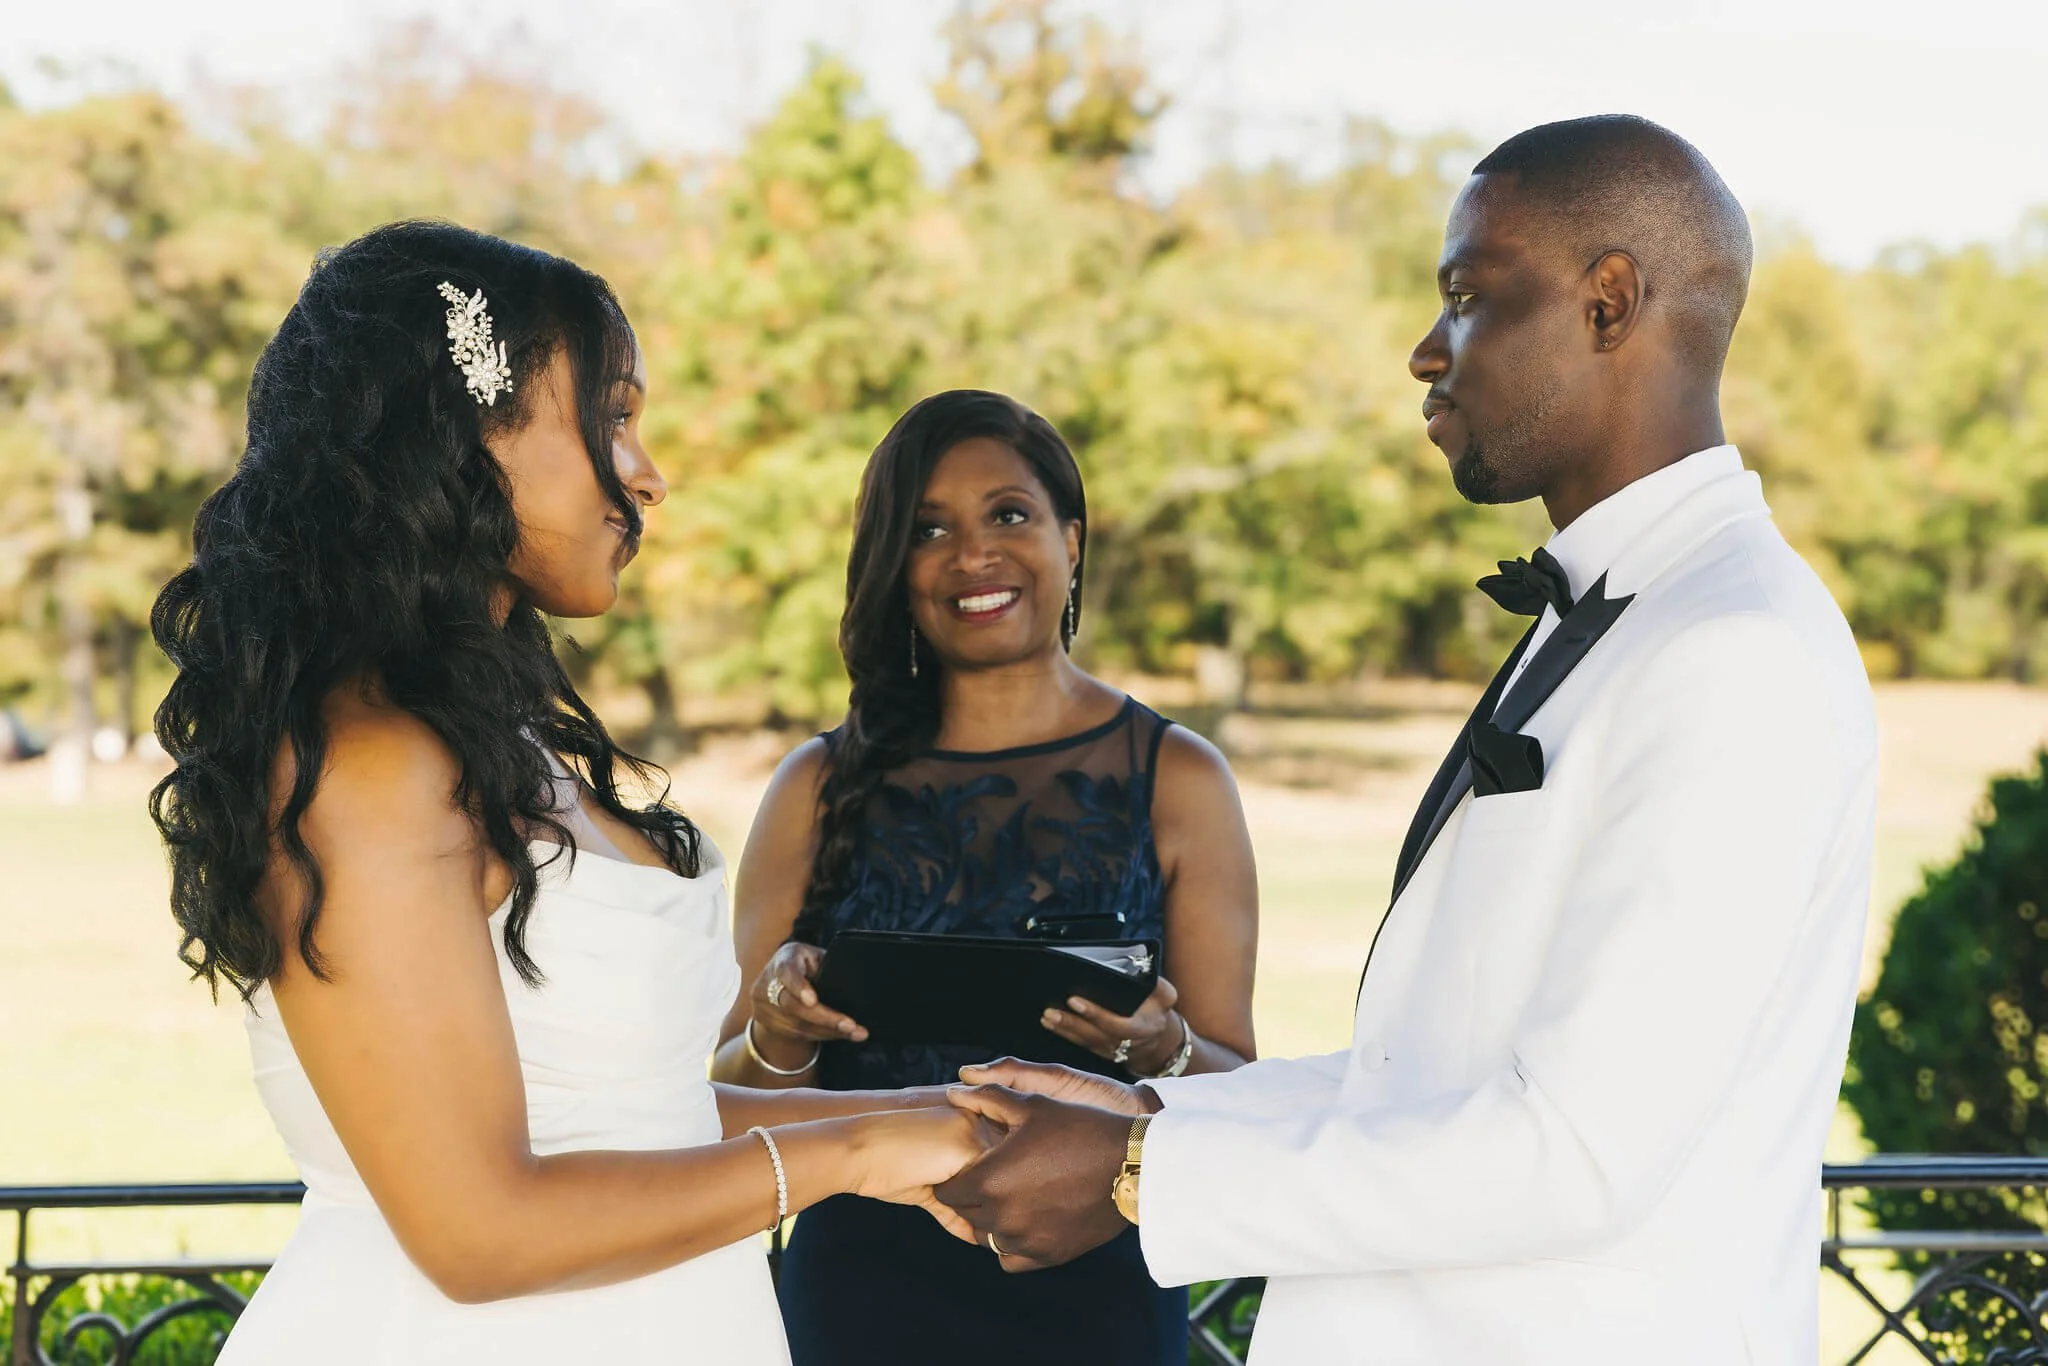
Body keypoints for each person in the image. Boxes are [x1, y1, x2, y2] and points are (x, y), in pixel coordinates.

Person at [931, 116, 1880, 1366]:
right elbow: (1423, 1076)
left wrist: (1142, 1179)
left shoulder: (1734, 650)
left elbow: (1572, 1152)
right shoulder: (1607, 618)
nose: (1426, 351)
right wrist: (1145, 1107)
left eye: (1467, 297)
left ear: (1608, 303)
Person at [148, 221, 989, 1365]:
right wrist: (841, 1161)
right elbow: (476, 1231)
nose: (646, 471)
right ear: (461, 436)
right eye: (612, 416)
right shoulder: (373, 766)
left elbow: (640, 1121)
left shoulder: (499, 744)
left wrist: (928, 1118)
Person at [708, 389, 1260, 1366]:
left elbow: (1239, 1091)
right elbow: (721, 1091)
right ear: (893, 565)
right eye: (929, 528)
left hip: (1098, 1292)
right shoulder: (814, 784)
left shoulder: (1175, 777)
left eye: (1008, 514)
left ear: (1072, 540)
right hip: (856, 1293)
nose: (973, 554)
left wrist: (1163, 1045)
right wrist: (780, 1030)